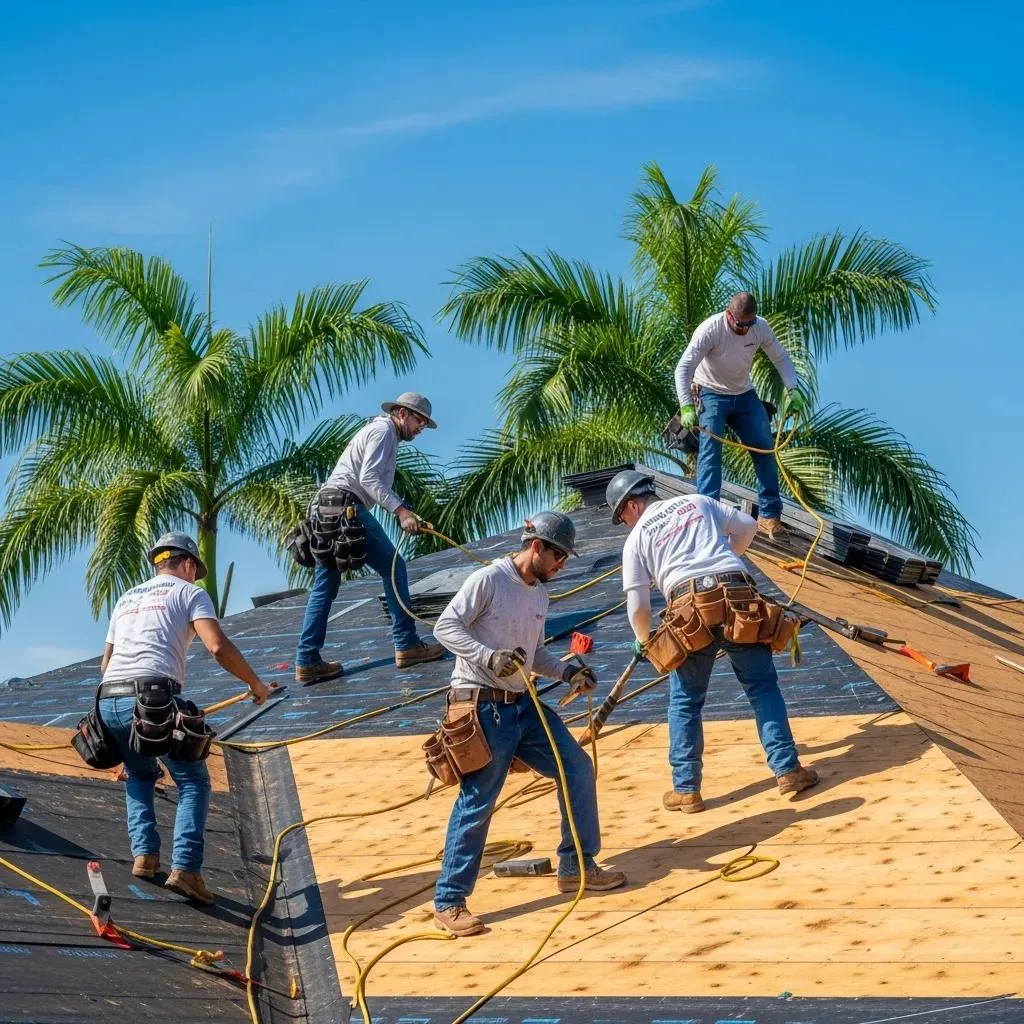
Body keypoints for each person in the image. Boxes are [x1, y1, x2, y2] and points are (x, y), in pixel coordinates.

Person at [431, 511, 626, 936]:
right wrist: (488, 656)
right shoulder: (489, 580)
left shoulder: (539, 595)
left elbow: (533, 656)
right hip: (482, 707)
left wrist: (568, 673)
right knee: (478, 800)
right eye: (559, 556)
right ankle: (449, 900)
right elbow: (445, 627)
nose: (562, 565)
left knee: (576, 767)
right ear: (535, 546)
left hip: (523, 705)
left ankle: (576, 864)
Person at [606, 470, 819, 813]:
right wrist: (727, 559)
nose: (626, 524)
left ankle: (687, 790)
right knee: (762, 687)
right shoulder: (697, 502)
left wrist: (642, 640)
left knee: (686, 702)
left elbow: (639, 606)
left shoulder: (636, 541)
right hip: (737, 598)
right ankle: (788, 770)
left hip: (688, 611)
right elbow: (748, 527)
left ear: (631, 505)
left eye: (623, 517)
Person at [98, 533, 271, 904]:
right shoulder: (190, 593)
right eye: (195, 570)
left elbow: (106, 662)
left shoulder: (126, 598)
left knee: (142, 773)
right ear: (189, 564)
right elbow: (217, 646)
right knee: (193, 781)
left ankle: (144, 856)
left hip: (108, 699)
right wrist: (255, 683)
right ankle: (187, 869)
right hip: (151, 697)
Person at [294, 392, 446, 683]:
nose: (420, 428)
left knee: (325, 584)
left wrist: (403, 509)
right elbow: (368, 479)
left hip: (328, 507)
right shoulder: (383, 430)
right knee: (394, 567)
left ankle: (307, 659)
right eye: (419, 420)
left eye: (424, 424)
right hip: (344, 506)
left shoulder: (381, 432)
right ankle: (407, 644)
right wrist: (401, 511)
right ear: (401, 412)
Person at [674, 292, 805, 541]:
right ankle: (708, 516)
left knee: (764, 447)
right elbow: (684, 368)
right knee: (711, 453)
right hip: (710, 393)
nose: (745, 329)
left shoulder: (760, 327)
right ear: (729, 315)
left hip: (744, 394)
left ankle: (769, 517)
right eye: (740, 324)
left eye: (749, 323)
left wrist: (793, 389)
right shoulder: (710, 329)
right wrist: (687, 406)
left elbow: (780, 357)